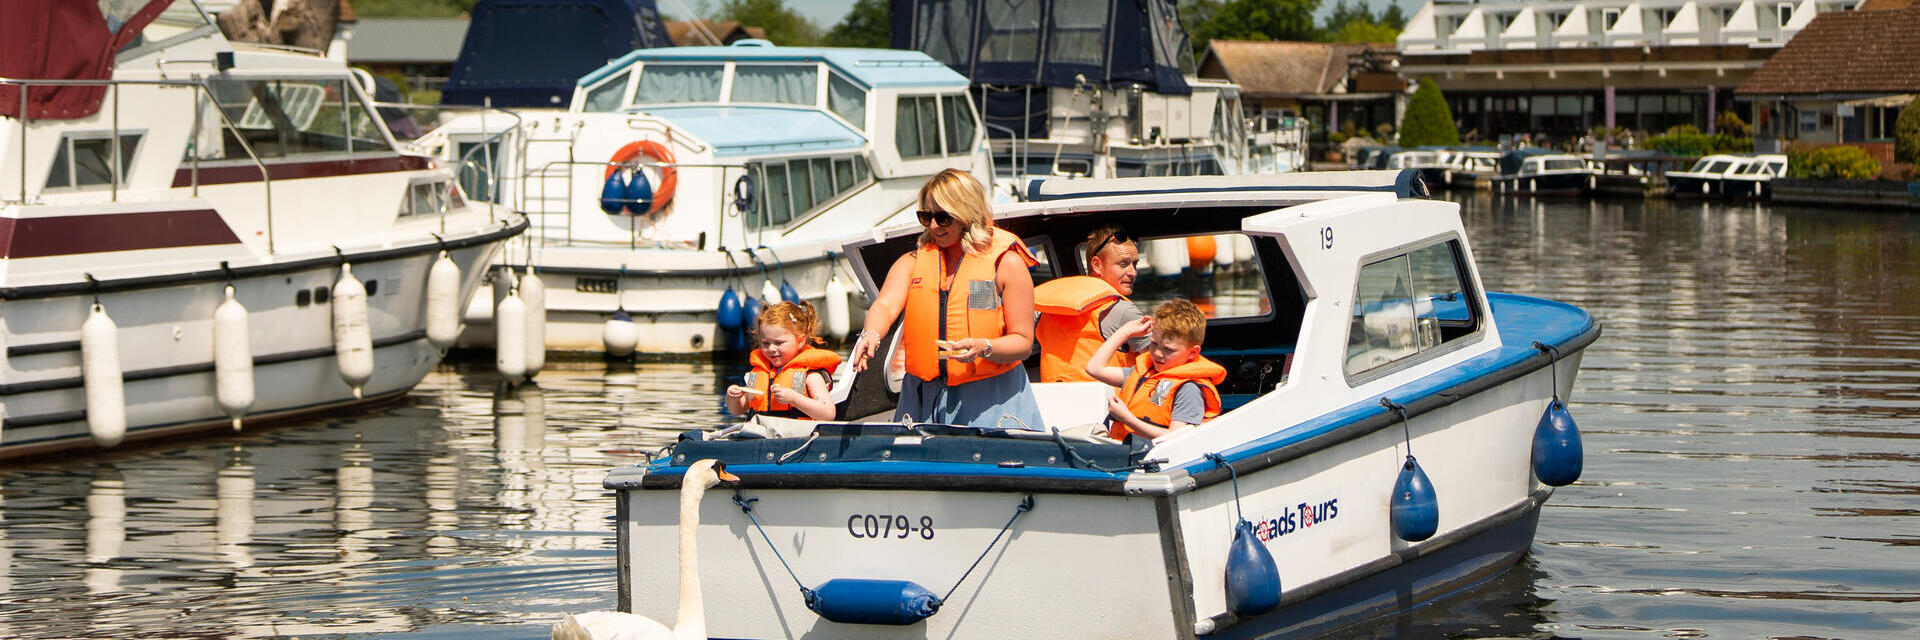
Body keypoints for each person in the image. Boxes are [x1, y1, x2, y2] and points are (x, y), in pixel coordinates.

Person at [849, 169, 1045, 429]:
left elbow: (1022, 341)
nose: (932, 226)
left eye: (943, 218)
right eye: (925, 216)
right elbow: (885, 305)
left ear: (967, 214)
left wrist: (983, 347)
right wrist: (871, 334)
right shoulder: (913, 262)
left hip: (991, 397)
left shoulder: (1006, 264)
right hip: (922, 398)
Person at [1086, 299, 1226, 442]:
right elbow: (1094, 368)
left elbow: (1178, 438)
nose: (1158, 353)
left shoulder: (1188, 389)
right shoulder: (1144, 372)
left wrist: (1127, 418)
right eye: (1154, 344)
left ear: (1192, 353)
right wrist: (1125, 332)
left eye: (1168, 349)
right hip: (1124, 451)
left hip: (1157, 459)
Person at [1033, 226, 1153, 383]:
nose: (1133, 272)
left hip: (1054, 403)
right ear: (1097, 265)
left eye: (1134, 264)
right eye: (1124, 264)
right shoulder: (1122, 311)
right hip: (1107, 405)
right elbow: (1163, 363)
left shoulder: (1044, 308)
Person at [726, 301, 842, 421]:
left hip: (797, 437)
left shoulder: (811, 375)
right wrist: (733, 397)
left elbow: (828, 414)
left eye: (778, 343)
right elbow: (737, 410)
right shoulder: (757, 372)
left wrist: (795, 399)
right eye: (765, 343)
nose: (771, 349)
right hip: (761, 435)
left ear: (800, 340)